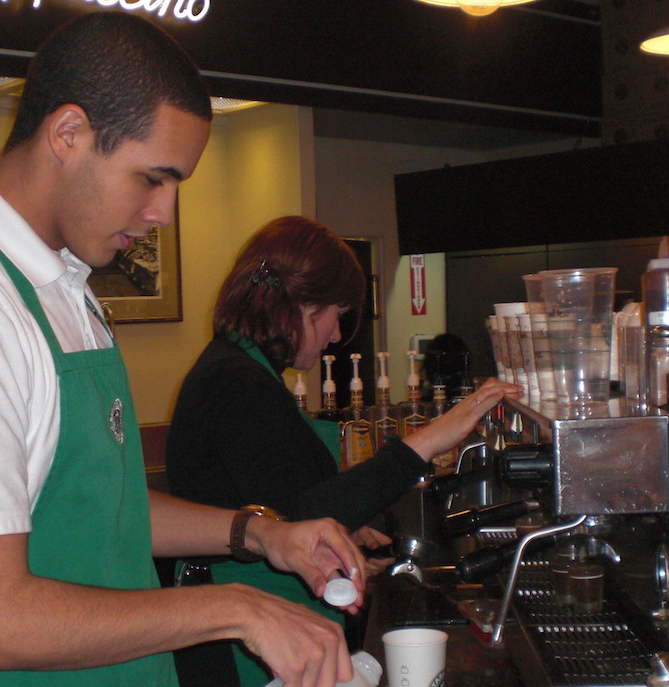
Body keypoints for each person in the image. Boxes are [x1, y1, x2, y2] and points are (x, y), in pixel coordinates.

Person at [0, 13, 369, 687]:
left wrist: (260, 534)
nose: (164, 211)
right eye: (153, 178)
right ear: (68, 134)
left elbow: (107, 509)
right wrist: (236, 607)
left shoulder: (64, 284)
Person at [165, 216, 520, 686]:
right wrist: (433, 436)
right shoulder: (235, 383)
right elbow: (297, 519)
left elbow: (281, 497)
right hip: (238, 644)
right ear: (299, 305)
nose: (335, 334)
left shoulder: (245, 374)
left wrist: (347, 533)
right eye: (336, 313)